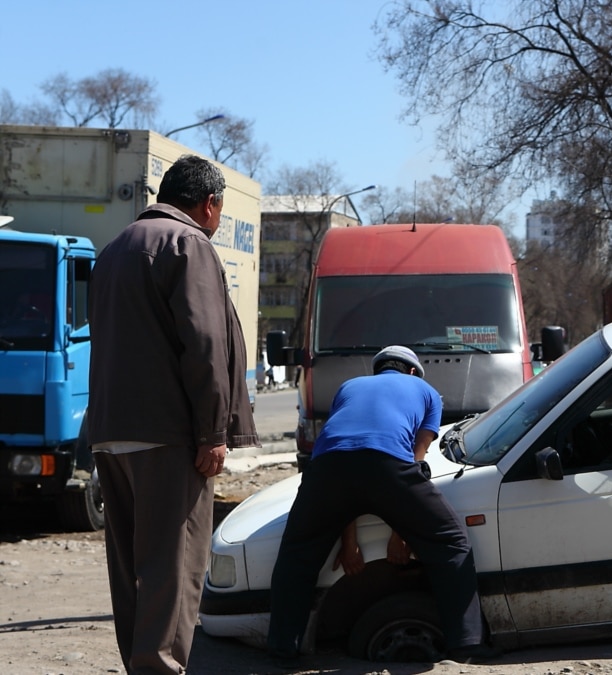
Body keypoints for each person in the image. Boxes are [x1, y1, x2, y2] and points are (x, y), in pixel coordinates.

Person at [89, 155, 259, 674]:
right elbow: (203, 344)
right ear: (210, 205)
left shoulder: (114, 249)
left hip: (112, 434)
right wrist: (212, 431)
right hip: (167, 437)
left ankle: (140, 665)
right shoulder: (190, 244)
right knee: (173, 568)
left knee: (132, 572)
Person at [267, 345, 493, 663]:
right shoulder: (427, 392)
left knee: (298, 553)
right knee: (451, 543)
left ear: (378, 371)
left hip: (325, 469)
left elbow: (349, 473)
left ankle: (281, 649)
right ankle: (466, 645)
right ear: (412, 371)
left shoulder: (349, 388)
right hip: (387, 465)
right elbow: (416, 461)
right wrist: (401, 534)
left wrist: (349, 542)